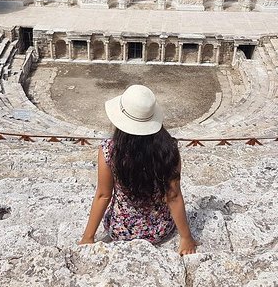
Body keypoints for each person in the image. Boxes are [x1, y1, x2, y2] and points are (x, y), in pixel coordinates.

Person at [79, 85, 198, 255]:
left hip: (121, 230)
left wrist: (88, 237)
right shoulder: (169, 150)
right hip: (160, 229)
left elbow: (103, 195)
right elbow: (173, 196)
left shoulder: (109, 150)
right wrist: (186, 238)